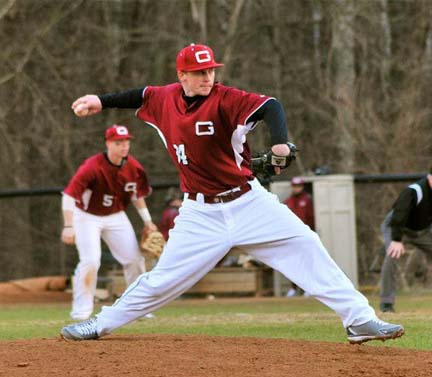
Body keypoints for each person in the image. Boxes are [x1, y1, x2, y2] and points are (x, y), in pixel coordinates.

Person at [61, 43, 404, 344]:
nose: (207, 76)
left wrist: (279, 141)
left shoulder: (227, 99)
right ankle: (100, 323)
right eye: (198, 71)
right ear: (182, 75)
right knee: (162, 281)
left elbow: (272, 106)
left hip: (248, 202)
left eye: (210, 69)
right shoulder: (165, 98)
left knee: (307, 246)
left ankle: (359, 319)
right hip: (199, 214)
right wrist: (100, 102)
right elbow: (140, 95)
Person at [61, 124, 158, 320]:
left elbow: (136, 195)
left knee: (134, 260)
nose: (124, 146)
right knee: (90, 261)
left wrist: (148, 221)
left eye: (126, 142)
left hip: (116, 216)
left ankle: (137, 307)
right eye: (118, 142)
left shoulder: (134, 167)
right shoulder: (92, 166)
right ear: (108, 144)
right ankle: (81, 312)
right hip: (87, 216)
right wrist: (69, 226)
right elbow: (69, 196)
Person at [379, 173, 432, 312]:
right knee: (392, 256)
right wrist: (396, 240)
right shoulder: (414, 191)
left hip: (423, 231)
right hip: (398, 227)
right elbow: (398, 216)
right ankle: (386, 304)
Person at [284, 176, 315, 297]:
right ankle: (293, 288)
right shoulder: (288, 201)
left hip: (304, 235)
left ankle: (308, 288)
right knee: (293, 263)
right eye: (295, 186)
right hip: (291, 236)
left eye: (299, 186)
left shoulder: (307, 200)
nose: (297, 189)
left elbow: (312, 218)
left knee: (306, 262)